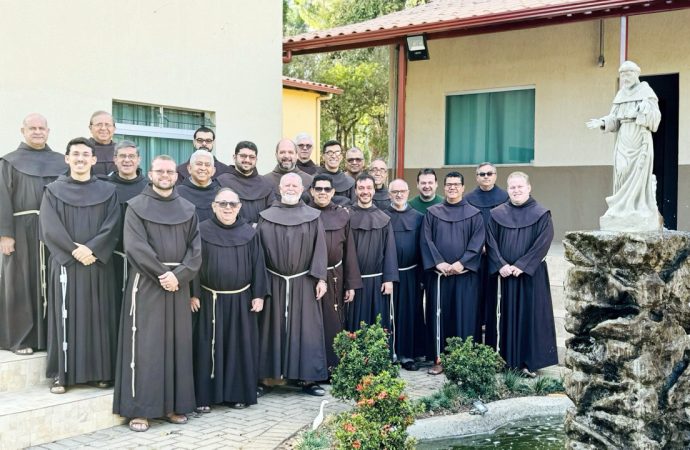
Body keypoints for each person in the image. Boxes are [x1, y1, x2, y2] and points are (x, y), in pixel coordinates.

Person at [113, 155, 202, 432]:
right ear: (150, 174)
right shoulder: (136, 207)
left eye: (169, 171)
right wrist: (164, 274)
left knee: (177, 345)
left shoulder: (188, 208)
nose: (165, 175)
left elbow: (196, 250)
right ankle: (141, 410)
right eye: (159, 171)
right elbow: (135, 246)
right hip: (148, 283)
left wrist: (179, 276)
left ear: (176, 176)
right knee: (147, 347)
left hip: (178, 284)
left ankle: (174, 406)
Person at [40, 137, 121, 393]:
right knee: (65, 317)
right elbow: (49, 227)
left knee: (100, 318)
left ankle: (101, 373)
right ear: (67, 158)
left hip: (98, 265)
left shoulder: (108, 190)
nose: (80, 158)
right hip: (67, 264)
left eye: (86, 154)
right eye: (75, 154)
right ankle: (62, 376)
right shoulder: (53, 190)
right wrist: (75, 251)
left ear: (94, 160)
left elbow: (113, 225)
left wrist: (93, 249)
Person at [190, 188, 269, 411]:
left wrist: (259, 295)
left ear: (239, 207)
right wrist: (193, 293)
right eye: (222, 204)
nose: (227, 208)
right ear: (213, 206)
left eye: (232, 204)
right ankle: (204, 398)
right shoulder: (201, 230)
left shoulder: (250, 233)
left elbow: (258, 264)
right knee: (207, 347)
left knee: (239, 347)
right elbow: (193, 264)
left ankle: (237, 394)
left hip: (240, 300)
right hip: (208, 299)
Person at [0, 113, 67, 355]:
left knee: (52, 282)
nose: (37, 132)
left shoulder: (61, 161)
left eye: (42, 128)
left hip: (54, 232)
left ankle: (49, 336)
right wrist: (5, 234)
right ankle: (20, 339)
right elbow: (2, 199)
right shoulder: (9, 161)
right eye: (32, 128)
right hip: (21, 230)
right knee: (21, 283)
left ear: (48, 131)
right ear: (23, 131)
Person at [257, 173, 328, 395]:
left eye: (294, 185)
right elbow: (257, 252)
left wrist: (321, 278)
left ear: (302, 188)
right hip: (273, 280)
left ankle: (308, 379)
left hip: (304, 281)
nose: (290, 188)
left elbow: (320, 248)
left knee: (307, 329)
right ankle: (268, 378)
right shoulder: (266, 216)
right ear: (279, 187)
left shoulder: (313, 216)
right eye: (286, 184)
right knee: (270, 328)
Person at [486, 171, 558, 377]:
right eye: (512, 187)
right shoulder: (497, 213)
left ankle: (528, 362)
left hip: (529, 276)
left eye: (520, 187)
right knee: (503, 315)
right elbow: (490, 241)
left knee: (529, 317)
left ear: (529, 188)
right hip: (504, 276)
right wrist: (501, 264)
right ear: (507, 190)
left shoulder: (541, 213)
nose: (516, 190)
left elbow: (543, 242)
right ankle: (503, 359)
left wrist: (523, 265)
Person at [420, 171, 485, 375]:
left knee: (464, 316)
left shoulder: (474, 214)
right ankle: (439, 360)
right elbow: (426, 240)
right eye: (449, 184)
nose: (452, 188)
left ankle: (464, 359)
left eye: (456, 184)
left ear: (463, 188)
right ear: (444, 187)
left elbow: (478, 241)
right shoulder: (432, 213)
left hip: (465, 276)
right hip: (440, 277)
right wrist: (438, 262)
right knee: (439, 316)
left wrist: (461, 263)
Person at [586, 60, 662, 232]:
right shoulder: (621, 94)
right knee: (622, 171)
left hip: (640, 139)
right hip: (623, 139)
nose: (625, 77)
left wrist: (643, 112)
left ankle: (636, 208)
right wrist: (603, 122)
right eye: (622, 74)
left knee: (638, 174)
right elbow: (615, 119)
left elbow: (655, 118)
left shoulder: (646, 92)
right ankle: (620, 210)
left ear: (636, 74)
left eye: (628, 74)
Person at [309, 174, 362, 371]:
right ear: (312, 191)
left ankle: (332, 367)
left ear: (333, 192)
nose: (323, 192)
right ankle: (312, 370)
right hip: (309, 278)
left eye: (327, 189)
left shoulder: (342, 215)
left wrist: (351, 284)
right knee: (310, 325)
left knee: (333, 323)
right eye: (319, 189)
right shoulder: (305, 213)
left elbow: (349, 251)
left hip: (335, 277)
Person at [463, 162, 509, 348]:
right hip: (474, 259)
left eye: (490, 173)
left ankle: (493, 344)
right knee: (474, 298)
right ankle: (472, 342)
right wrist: (477, 247)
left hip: (496, 258)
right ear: (476, 177)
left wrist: (492, 248)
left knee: (493, 299)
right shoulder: (468, 199)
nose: (486, 176)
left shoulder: (505, 197)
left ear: (496, 175)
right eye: (482, 174)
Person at [346, 173, 398, 333]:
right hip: (353, 283)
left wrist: (389, 279)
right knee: (353, 325)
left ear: (374, 190)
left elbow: (389, 250)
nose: (365, 191)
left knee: (377, 325)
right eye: (361, 188)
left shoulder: (384, 218)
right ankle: (354, 358)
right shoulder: (346, 216)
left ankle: (377, 358)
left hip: (377, 282)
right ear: (355, 191)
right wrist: (347, 282)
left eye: (369, 188)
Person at [384, 179, 425, 371]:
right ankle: (388, 353)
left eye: (402, 191)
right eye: (394, 192)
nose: (398, 195)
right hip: (388, 275)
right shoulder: (383, 216)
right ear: (389, 194)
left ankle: (407, 355)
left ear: (408, 192)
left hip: (411, 274)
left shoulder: (418, 217)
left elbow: (423, 247)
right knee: (388, 314)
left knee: (408, 314)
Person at [105, 141, 148, 317]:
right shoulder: (105, 186)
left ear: (139, 160)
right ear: (115, 159)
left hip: (140, 258)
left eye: (131, 156)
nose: (127, 160)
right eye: (122, 156)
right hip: (110, 256)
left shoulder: (149, 187)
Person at [217, 141, 275, 225]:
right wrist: (249, 225)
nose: (247, 160)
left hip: (261, 233)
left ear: (256, 160)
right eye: (243, 156)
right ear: (234, 157)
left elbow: (272, 210)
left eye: (252, 157)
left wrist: (261, 226)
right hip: (232, 233)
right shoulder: (222, 181)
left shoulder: (266, 184)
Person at [177, 150, 221, 222]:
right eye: (199, 164)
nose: (203, 168)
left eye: (207, 165)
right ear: (189, 168)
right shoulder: (178, 194)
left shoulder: (221, 195)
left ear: (213, 171)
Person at [317, 139, 355, 204]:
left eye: (337, 152)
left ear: (341, 157)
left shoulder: (350, 182)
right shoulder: (314, 178)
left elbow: (354, 206)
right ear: (323, 157)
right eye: (329, 152)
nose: (334, 156)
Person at [88, 111, 118, 177]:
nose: (103, 128)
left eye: (107, 125)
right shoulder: (83, 149)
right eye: (99, 124)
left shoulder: (121, 150)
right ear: (90, 128)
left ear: (114, 129)